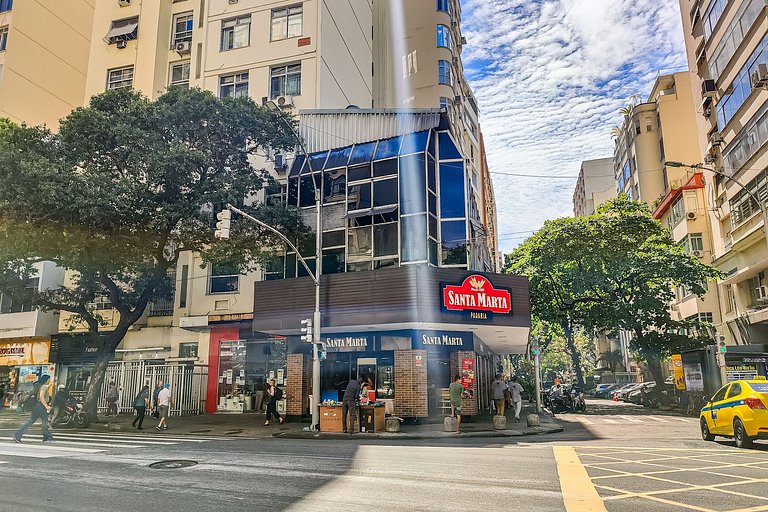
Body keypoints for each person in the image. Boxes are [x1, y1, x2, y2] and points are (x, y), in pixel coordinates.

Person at [13, 375, 53, 443]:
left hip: (37, 406)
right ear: (46, 379)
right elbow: (41, 397)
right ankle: (46, 437)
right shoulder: (43, 387)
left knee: (31, 422)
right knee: (44, 422)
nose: (49, 381)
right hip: (41, 406)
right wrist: (46, 406)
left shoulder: (40, 386)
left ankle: (17, 435)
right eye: (49, 379)